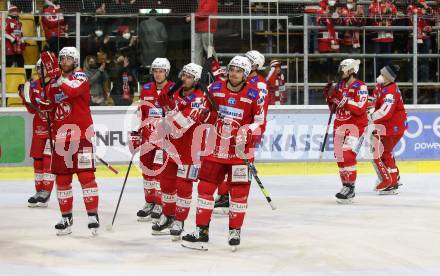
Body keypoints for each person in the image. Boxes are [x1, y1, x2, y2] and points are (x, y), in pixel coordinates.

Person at [181, 56, 265, 251]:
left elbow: (260, 121)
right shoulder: (214, 89)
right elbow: (205, 110)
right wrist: (203, 114)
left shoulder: (254, 94)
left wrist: (248, 130)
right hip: (214, 151)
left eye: (238, 70)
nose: (234, 73)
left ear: (245, 75)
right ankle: (201, 233)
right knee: (205, 189)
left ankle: (235, 231)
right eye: (232, 69)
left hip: (240, 153)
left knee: (239, 194)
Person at [43, 47, 100, 236]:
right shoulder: (53, 83)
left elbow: (72, 91)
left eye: (69, 58)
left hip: (81, 136)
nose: (65, 61)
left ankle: (92, 215)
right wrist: (36, 99)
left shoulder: (81, 77)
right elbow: (50, 105)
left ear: (75, 62)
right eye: (62, 58)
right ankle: (66, 217)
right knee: (62, 180)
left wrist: (56, 79)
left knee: (86, 177)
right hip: (61, 139)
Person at [154, 62, 207, 240]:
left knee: (183, 186)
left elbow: (182, 125)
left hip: (189, 150)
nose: (184, 79)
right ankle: (168, 216)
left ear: (197, 80)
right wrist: (166, 101)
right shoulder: (176, 90)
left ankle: (179, 220)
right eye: (183, 75)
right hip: (171, 146)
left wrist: (170, 109)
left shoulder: (200, 98)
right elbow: (160, 102)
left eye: (189, 76)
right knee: (166, 183)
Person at [213, 50, 269, 215]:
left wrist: (252, 132)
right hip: (229, 128)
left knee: (239, 163)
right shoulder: (238, 76)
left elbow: (259, 113)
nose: (244, 62)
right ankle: (224, 196)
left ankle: (235, 196)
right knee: (222, 158)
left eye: (249, 60)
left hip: (249, 127)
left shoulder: (259, 84)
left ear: (256, 66)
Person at [128, 58, 174, 223]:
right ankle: (150, 202)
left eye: (161, 71)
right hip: (148, 136)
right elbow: (142, 113)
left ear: (166, 72)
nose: (158, 74)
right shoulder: (146, 88)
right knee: (147, 170)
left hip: (164, 139)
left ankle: (160, 204)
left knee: (160, 171)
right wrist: (137, 132)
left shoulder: (173, 89)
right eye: (155, 70)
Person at [322, 59, 368, 204]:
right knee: (340, 157)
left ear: (351, 70)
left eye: (343, 69)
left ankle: (350, 187)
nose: (340, 72)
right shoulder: (340, 85)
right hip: (340, 126)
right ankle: (345, 186)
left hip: (356, 127)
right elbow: (334, 109)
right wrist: (328, 96)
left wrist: (342, 99)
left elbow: (360, 109)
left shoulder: (361, 87)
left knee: (347, 155)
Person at [18, 58, 59, 208]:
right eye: (38, 68)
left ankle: (46, 193)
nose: (40, 71)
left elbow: (61, 105)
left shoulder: (56, 84)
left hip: (53, 129)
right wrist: (24, 98)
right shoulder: (34, 85)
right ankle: (38, 192)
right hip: (38, 128)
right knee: (38, 161)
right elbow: (31, 109)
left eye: (43, 68)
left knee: (49, 160)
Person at [369, 65, 407, 195]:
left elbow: (386, 112)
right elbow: (373, 102)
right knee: (386, 152)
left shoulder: (391, 91)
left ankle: (391, 182)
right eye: (380, 73)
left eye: (383, 74)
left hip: (394, 127)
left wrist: (370, 117)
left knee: (385, 153)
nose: (380, 76)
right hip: (386, 126)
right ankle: (394, 177)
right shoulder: (380, 86)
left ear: (389, 78)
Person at [368, 0, 397, 74]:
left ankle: (387, 81)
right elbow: (370, 18)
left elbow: (395, 19)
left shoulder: (391, 5)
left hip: (388, 37)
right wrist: (383, 13)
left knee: (387, 60)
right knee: (376, 59)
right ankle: (374, 80)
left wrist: (389, 13)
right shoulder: (373, 4)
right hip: (377, 36)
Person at [194, 0, 218, 65]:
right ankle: (197, 70)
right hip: (199, 28)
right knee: (197, 51)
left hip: (207, 28)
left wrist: (193, 16)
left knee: (209, 49)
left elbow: (205, 12)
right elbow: (202, 12)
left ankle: (214, 68)